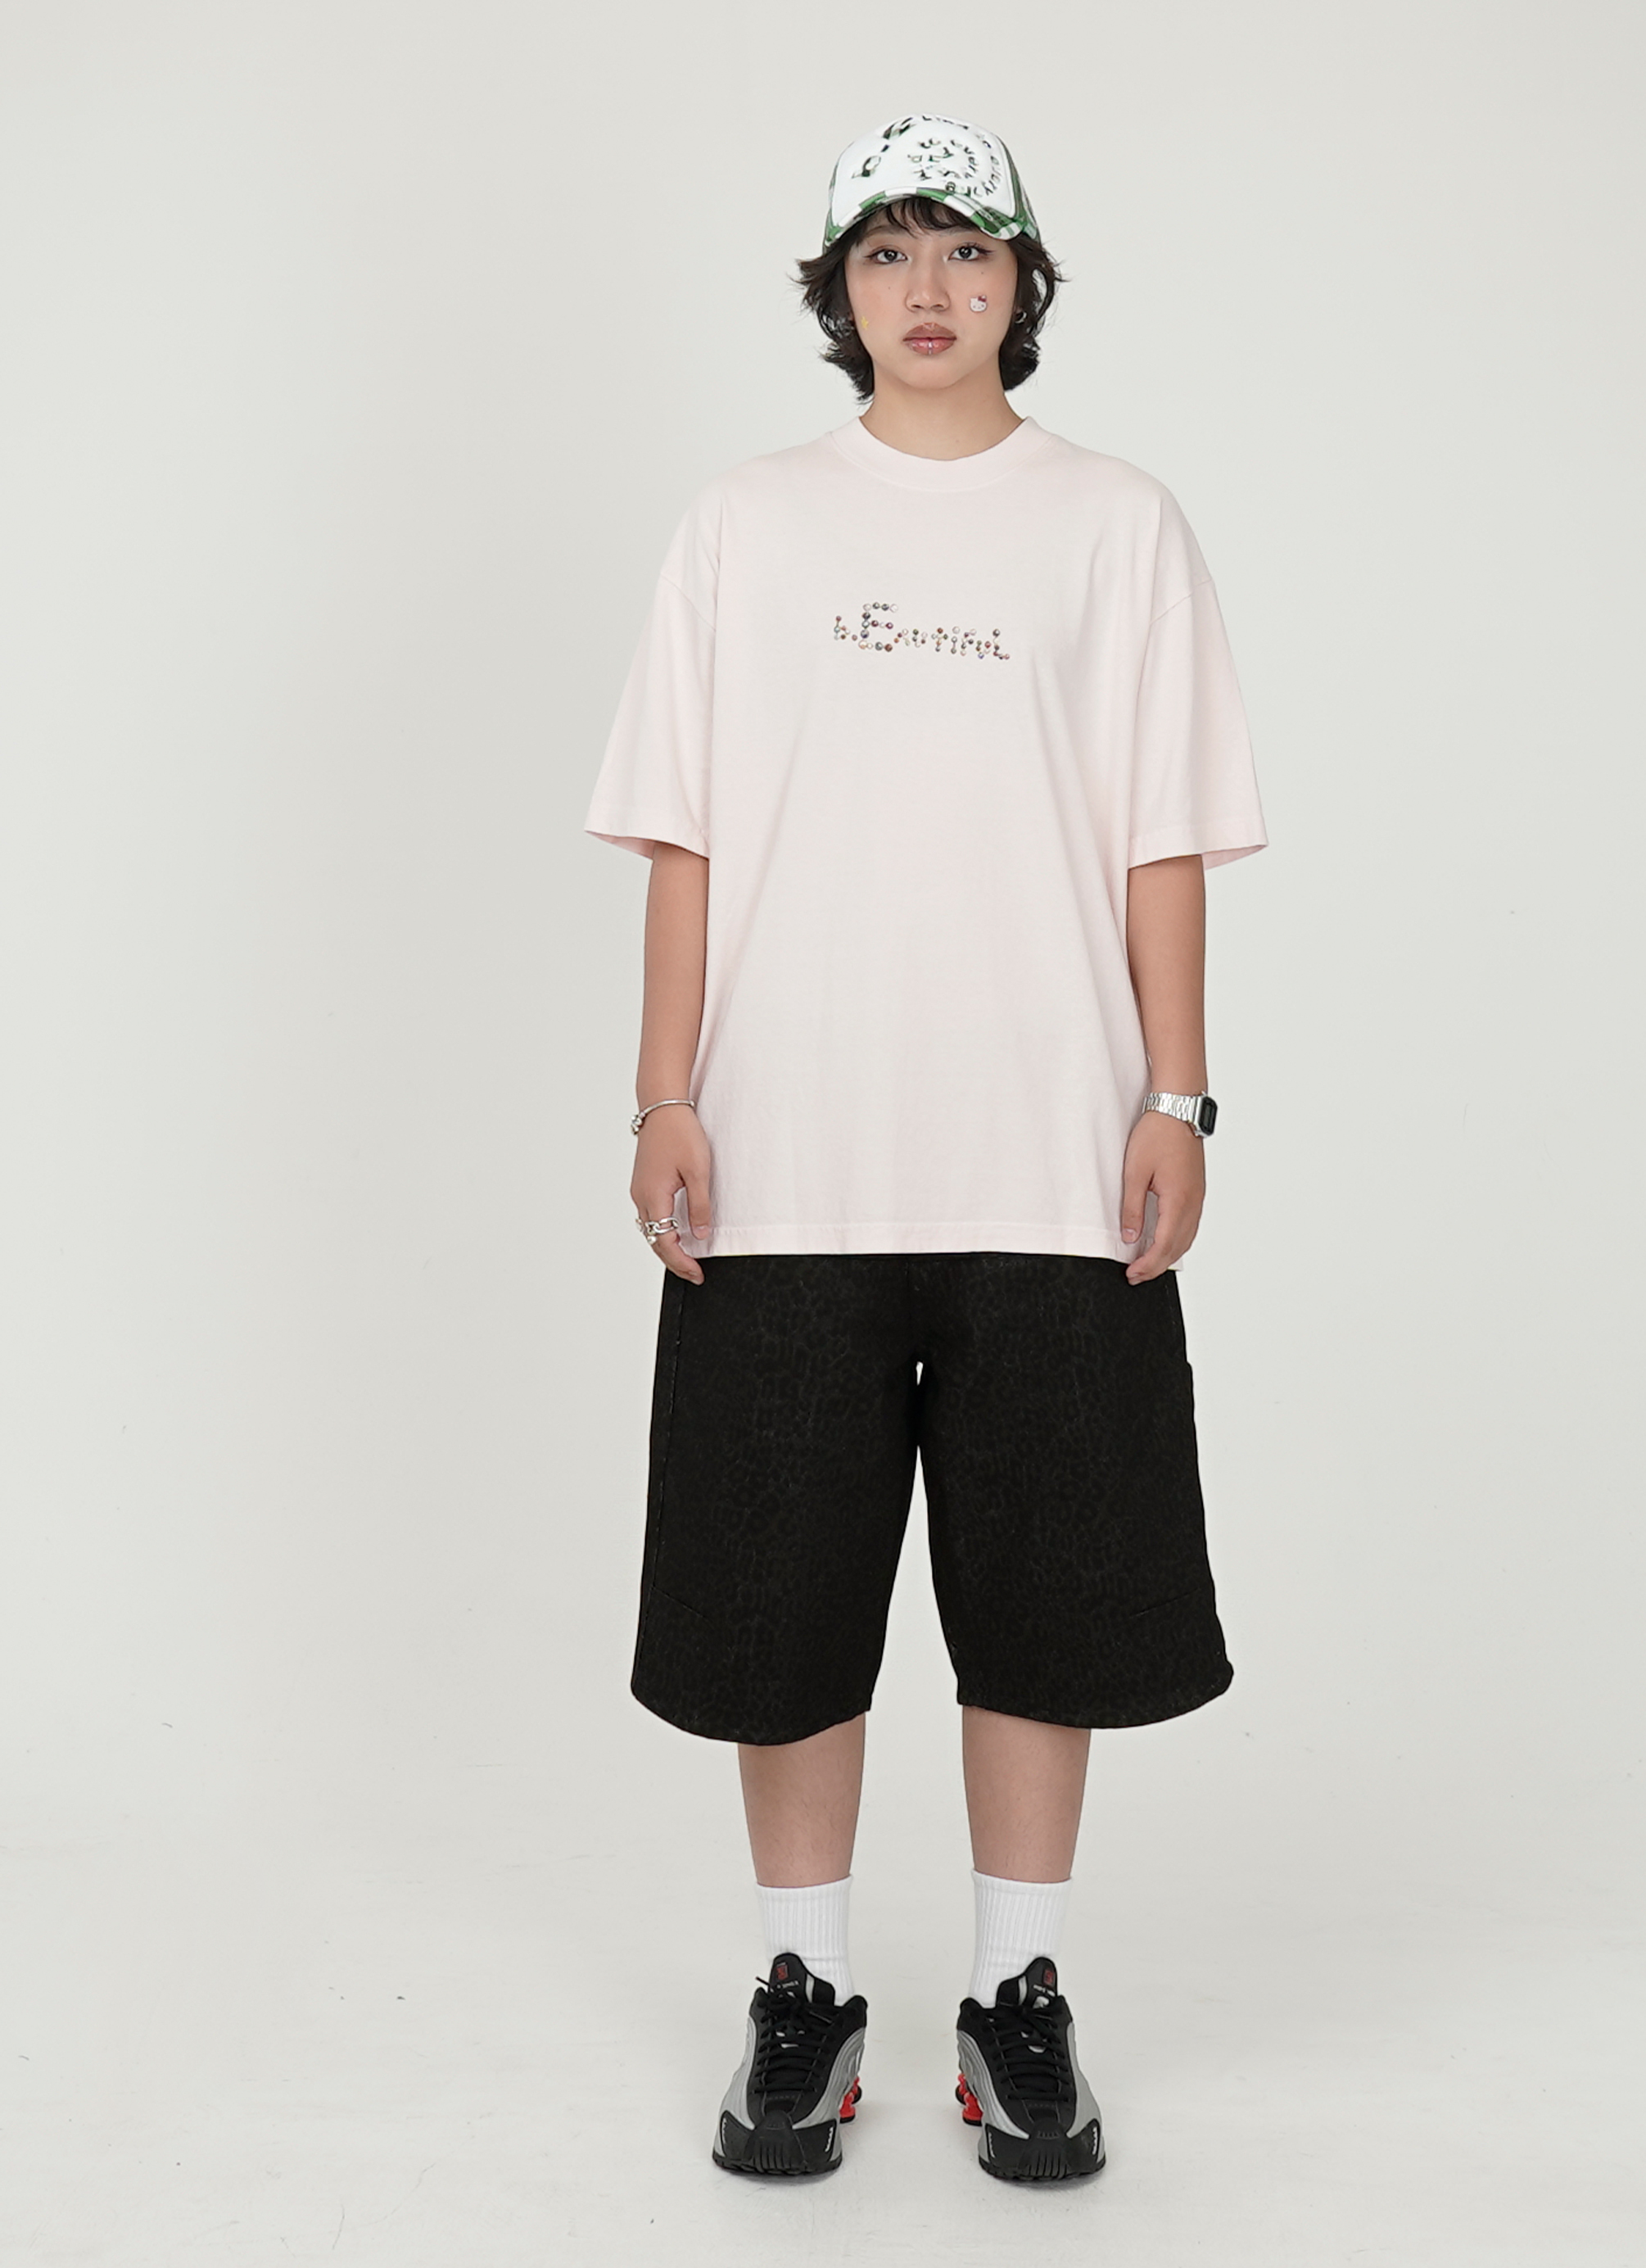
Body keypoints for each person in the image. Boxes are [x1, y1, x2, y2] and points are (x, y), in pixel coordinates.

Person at [586, 111, 1267, 2184]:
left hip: (1049, 1154)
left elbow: (1162, 835)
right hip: (784, 1153)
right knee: (774, 1599)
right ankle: (802, 1991)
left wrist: (1174, 1094)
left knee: (1050, 1593)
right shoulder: (747, 524)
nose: (930, 289)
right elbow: (685, 835)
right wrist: (665, 1090)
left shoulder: (1117, 524)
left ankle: (1016, 1997)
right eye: (887, 253)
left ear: (1024, 283)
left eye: (967, 250)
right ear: (838, 294)